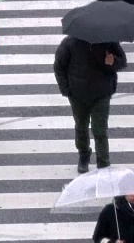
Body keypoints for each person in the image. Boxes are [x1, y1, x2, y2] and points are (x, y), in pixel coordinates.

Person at [53, 37, 126, 173]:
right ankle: (84, 154)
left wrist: (113, 61)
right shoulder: (70, 43)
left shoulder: (109, 41)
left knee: (100, 130)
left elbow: (122, 61)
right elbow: (59, 67)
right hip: (78, 95)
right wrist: (66, 90)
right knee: (81, 126)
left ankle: (103, 163)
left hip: (102, 93)